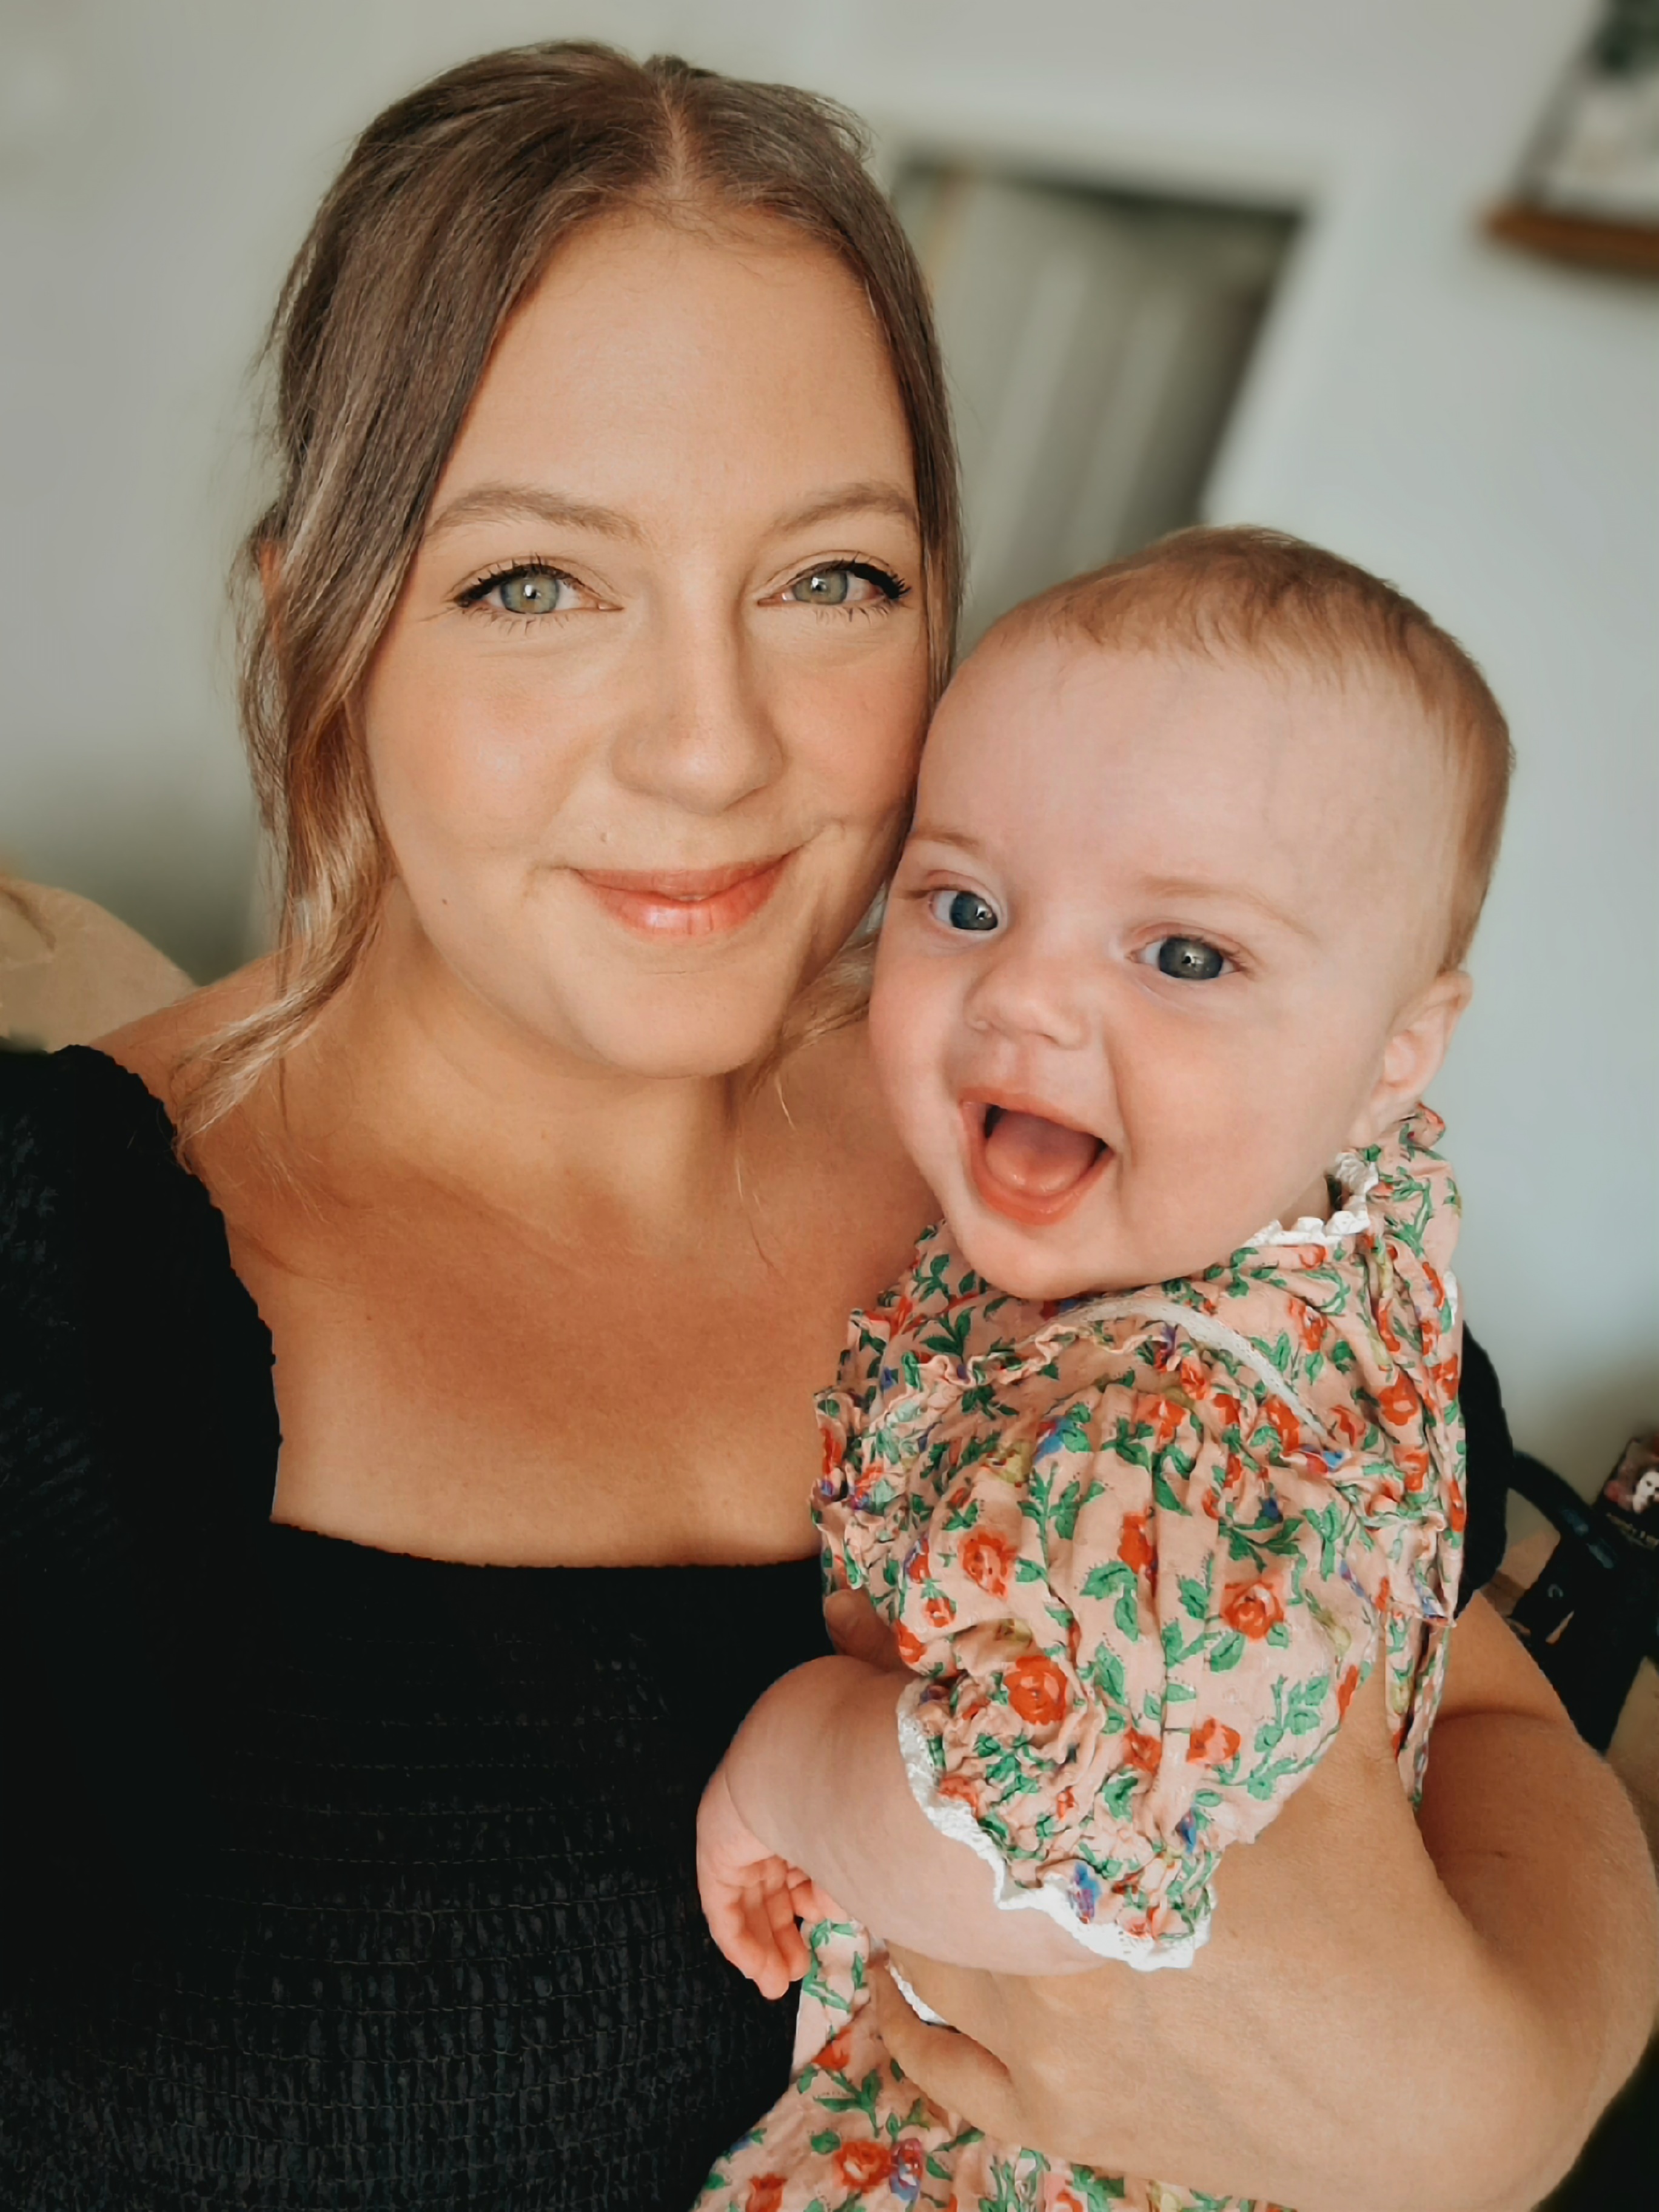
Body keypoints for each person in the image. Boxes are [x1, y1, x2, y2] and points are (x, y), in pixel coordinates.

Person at [0, 41, 1650, 2212]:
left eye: (833, 582)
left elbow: (1490, 1687)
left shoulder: (1091, 1131)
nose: (712, 749)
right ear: (327, 621)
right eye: (534, 583)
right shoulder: (59, 1296)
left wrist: (1502, 2091)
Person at [694, 528, 1506, 2210]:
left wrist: (789, 1750)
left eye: (1186, 957)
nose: (1025, 997)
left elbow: (1009, 1862)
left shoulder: (1163, 1425)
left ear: (1392, 1059)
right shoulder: (1325, 1221)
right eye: (968, 903)